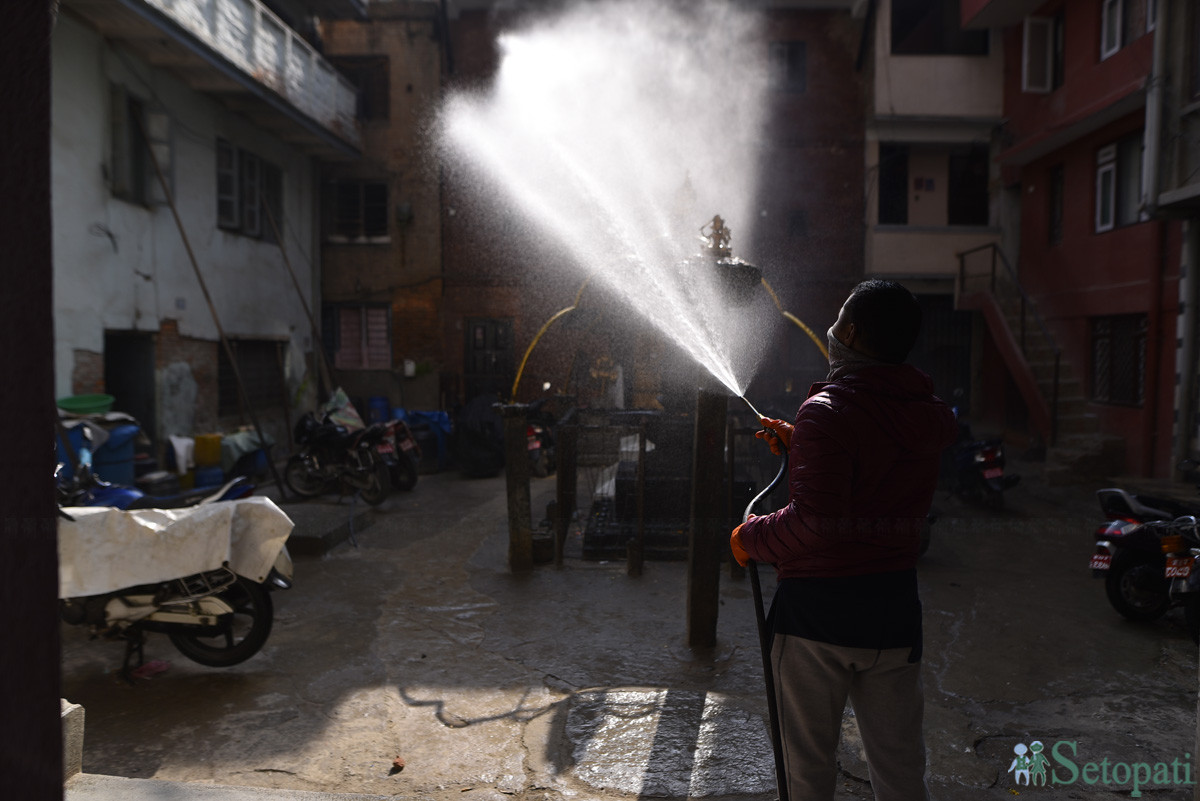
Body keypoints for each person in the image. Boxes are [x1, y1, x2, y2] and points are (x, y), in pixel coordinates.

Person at [730, 279, 957, 801]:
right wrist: (802, 443)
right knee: (900, 772)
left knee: (805, 772)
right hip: (895, 615)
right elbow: (876, 463)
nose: (831, 331)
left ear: (851, 332)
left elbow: (816, 524)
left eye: (836, 322)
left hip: (818, 618)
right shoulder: (924, 415)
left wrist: (750, 536)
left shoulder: (827, 411)